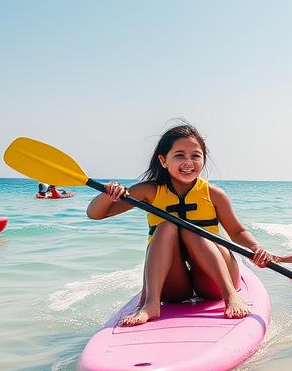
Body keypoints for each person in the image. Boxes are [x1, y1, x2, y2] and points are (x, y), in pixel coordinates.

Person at [87, 123, 274, 326]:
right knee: (166, 226)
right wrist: (108, 195)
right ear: (163, 160)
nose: (188, 162)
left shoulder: (214, 194)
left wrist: (256, 248)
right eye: (179, 155)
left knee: (192, 229)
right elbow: (95, 214)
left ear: (203, 158)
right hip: (174, 284)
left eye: (195, 155)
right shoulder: (149, 191)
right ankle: (151, 303)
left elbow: (237, 232)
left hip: (215, 281)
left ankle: (231, 296)